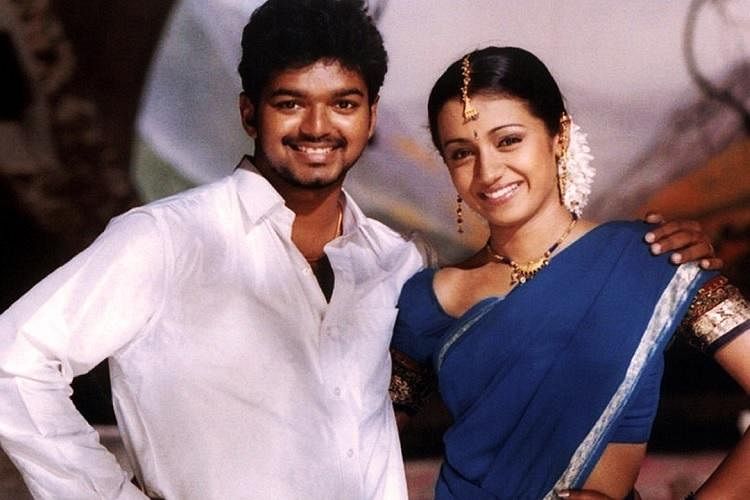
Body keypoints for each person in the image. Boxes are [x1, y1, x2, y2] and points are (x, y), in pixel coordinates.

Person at [0, 2, 720, 499]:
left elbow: (527, 353)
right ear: (249, 111)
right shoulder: (165, 240)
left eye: (343, 103)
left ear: (371, 117)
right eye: (290, 102)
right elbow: (14, 359)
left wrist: (664, 261)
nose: (318, 126)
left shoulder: (399, 265)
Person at [390, 46, 750, 500]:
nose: (488, 171)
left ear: (558, 135)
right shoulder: (428, 299)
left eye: (508, 140)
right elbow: (355, 446)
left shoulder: (650, 258)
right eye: (462, 153)